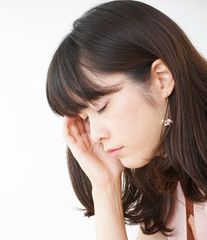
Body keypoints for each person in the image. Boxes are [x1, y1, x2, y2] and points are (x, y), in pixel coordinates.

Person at [45, 1, 207, 239]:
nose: (95, 135)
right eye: (85, 119)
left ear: (161, 79)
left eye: (102, 106)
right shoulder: (170, 185)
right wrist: (105, 186)